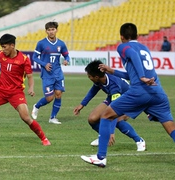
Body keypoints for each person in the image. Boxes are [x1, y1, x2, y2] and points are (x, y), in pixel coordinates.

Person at [81, 23, 175, 167]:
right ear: (137, 36)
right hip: (158, 92)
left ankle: (100, 157)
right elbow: (131, 74)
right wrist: (112, 71)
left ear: (122, 37)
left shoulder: (123, 46)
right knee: (171, 128)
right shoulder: (145, 48)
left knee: (106, 115)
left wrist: (142, 77)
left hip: (140, 91)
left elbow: (133, 55)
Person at [73, 60, 145, 151]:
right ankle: (103, 137)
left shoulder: (114, 85)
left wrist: (111, 132)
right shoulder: (100, 79)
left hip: (130, 100)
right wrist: (82, 104)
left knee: (118, 120)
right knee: (92, 118)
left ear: (96, 77)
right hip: (113, 97)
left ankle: (139, 140)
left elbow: (115, 110)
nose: (89, 78)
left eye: (89, 76)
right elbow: (94, 90)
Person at [31, 21, 70, 125]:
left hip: (58, 73)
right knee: (49, 98)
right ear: (46, 31)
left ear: (56, 30)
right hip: (47, 75)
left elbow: (67, 55)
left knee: (58, 94)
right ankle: (36, 106)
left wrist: (67, 60)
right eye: (49, 30)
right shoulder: (41, 43)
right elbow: (34, 57)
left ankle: (53, 118)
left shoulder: (61, 44)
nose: (51, 32)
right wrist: (44, 64)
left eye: (53, 29)